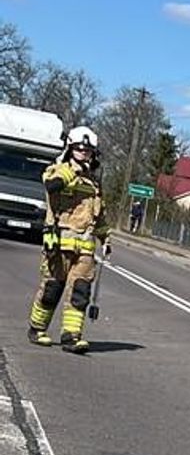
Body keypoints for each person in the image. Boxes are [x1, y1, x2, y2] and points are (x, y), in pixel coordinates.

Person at [27, 125, 111, 353]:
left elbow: (99, 214)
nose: (84, 153)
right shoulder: (57, 170)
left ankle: (71, 337)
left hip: (85, 250)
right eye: (79, 148)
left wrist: (105, 238)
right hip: (58, 244)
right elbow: (52, 186)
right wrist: (74, 170)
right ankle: (37, 329)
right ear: (70, 148)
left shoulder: (94, 182)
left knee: (80, 291)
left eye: (88, 150)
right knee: (52, 289)